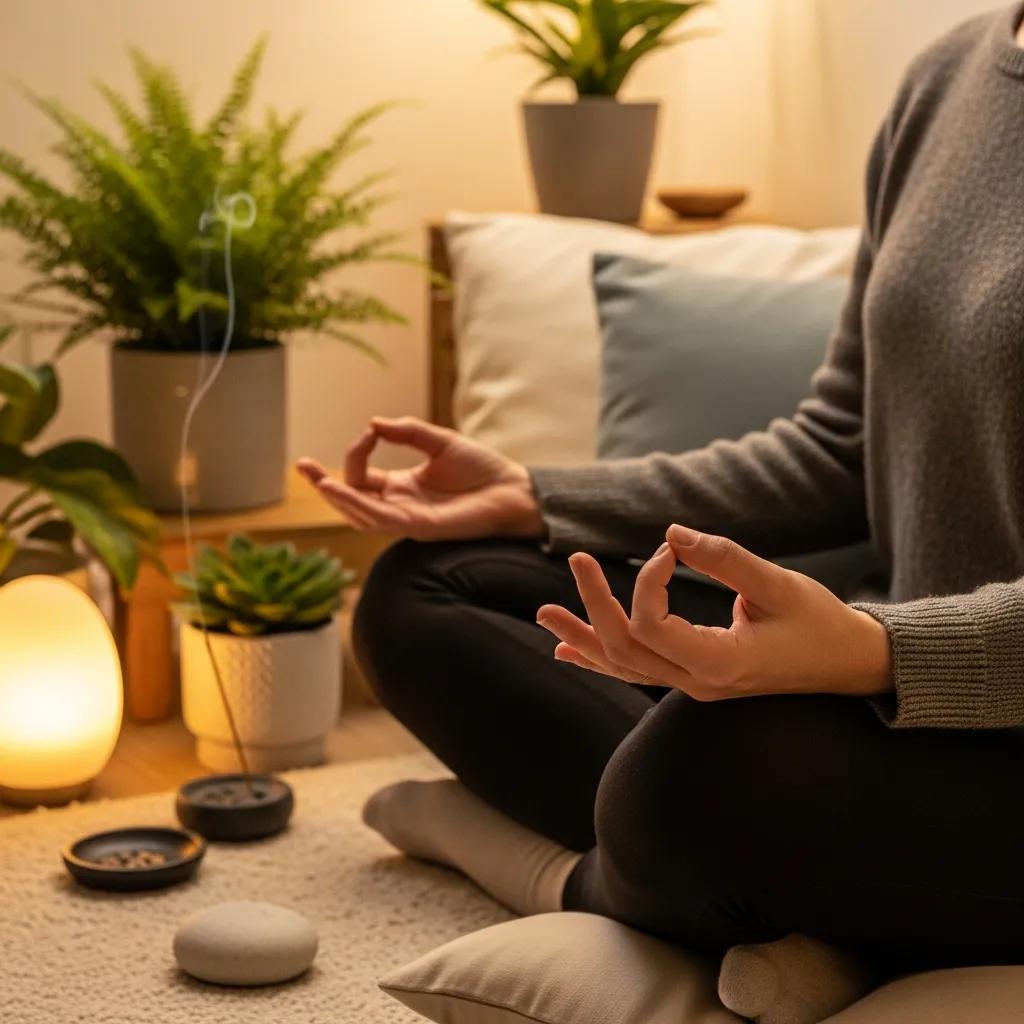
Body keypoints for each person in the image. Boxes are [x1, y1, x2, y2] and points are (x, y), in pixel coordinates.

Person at [299, 5, 1024, 1020]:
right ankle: (778, 902)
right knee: (432, 588)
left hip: (970, 724)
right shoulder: (946, 78)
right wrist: (538, 497)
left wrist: (875, 652)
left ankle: (572, 878)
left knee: (712, 761)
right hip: (895, 699)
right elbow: (838, 445)